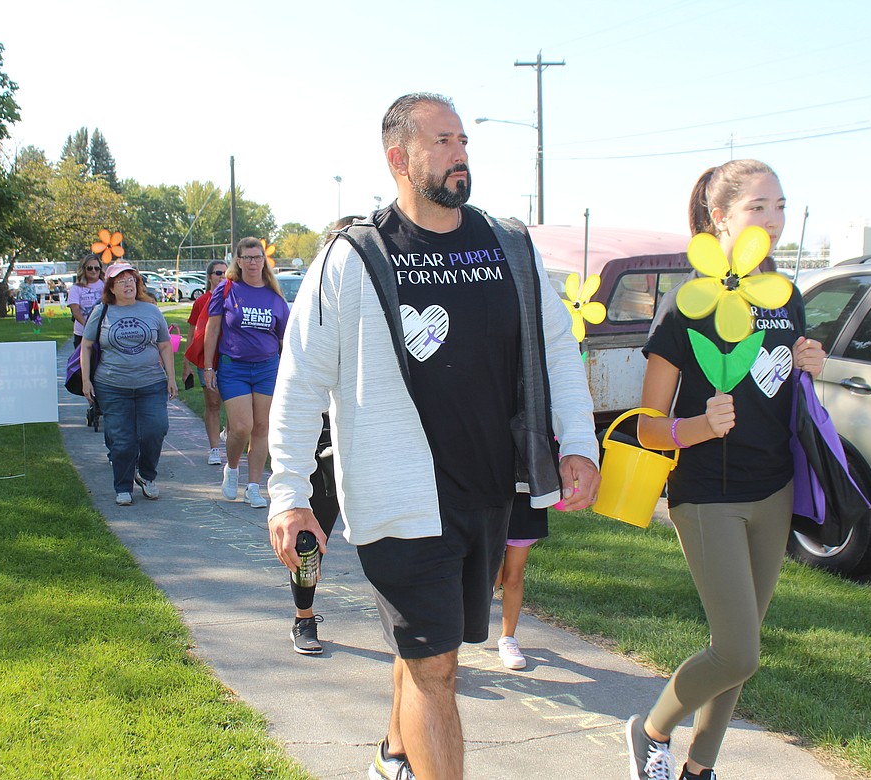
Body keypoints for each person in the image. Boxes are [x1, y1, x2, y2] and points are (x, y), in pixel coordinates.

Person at [266, 93, 600, 780]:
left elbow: (558, 349)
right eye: (443, 141)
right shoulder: (353, 257)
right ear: (399, 157)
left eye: (464, 142)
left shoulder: (507, 245)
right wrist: (289, 493)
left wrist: (578, 443)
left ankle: (394, 756)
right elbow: (300, 379)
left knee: (427, 649)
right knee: (437, 668)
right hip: (398, 499)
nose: (461, 154)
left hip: (490, 491)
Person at [624, 160, 826, 780]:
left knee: (741, 653)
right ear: (720, 218)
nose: (773, 219)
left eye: (780, 206)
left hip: (774, 489)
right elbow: (644, 426)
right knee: (738, 649)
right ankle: (651, 730)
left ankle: (698, 769)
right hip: (708, 496)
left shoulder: (786, 296)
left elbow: (784, 395)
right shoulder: (687, 305)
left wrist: (809, 364)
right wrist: (699, 427)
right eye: (758, 207)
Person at [286, 216, 363, 656]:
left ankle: (416, 634)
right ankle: (303, 617)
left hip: (372, 441)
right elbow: (298, 389)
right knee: (310, 538)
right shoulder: (312, 305)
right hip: (323, 441)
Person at [79, 262, 177, 507]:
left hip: (151, 383)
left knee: (156, 430)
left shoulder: (152, 311)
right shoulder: (102, 311)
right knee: (122, 439)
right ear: (111, 287)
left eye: (131, 279)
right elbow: (86, 346)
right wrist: (85, 381)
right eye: (121, 281)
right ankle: (123, 486)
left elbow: (165, 344)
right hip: (112, 386)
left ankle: (146, 474)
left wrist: (171, 378)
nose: (128, 284)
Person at [202, 238, 290, 510]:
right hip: (234, 366)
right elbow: (212, 330)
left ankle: (254, 487)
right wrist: (208, 368)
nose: (253, 262)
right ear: (238, 261)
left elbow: (285, 337)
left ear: (264, 261)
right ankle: (231, 468)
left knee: (262, 426)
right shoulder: (227, 290)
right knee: (241, 427)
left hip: (267, 367)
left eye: (258, 257)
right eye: (247, 257)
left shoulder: (275, 296)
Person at [182, 259, 228, 465]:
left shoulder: (232, 298)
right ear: (209, 276)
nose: (222, 277)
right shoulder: (201, 301)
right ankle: (214, 449)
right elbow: (192, 334)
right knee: (213, 404)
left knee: (235, 405)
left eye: (226, 273)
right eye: (218, 273)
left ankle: (228, 432)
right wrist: (186, 364)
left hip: (231, 359)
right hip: (206, 360)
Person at [493, 498, 548, 671]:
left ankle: (508, 639)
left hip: (523, 495)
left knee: (513, 578)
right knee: (488, 577)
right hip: (486, 494)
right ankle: (454, 641)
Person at [67, 253, 105, 350]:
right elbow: (75, 311)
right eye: (89, 268)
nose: (93, 271)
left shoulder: (106, 286)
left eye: (96, 268)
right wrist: (89, 327)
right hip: (82, 333)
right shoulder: (76, 288)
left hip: (103, 332)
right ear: (83, 269)